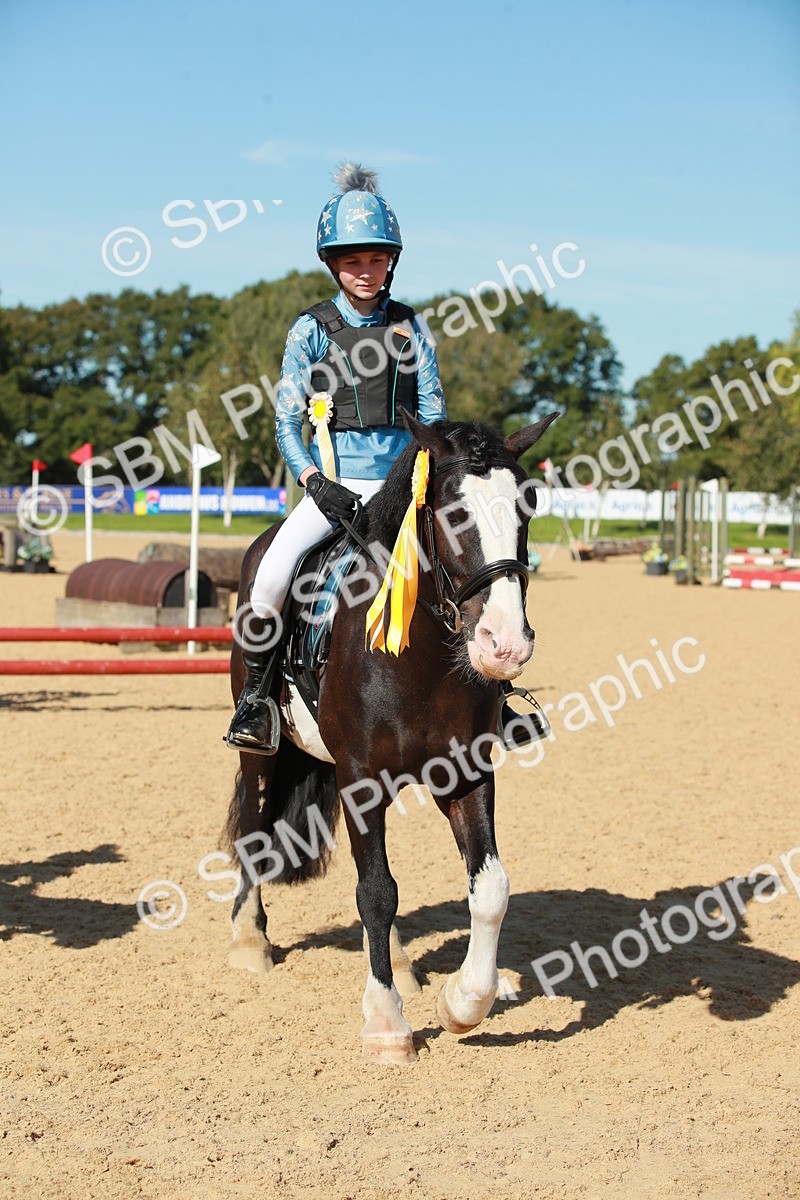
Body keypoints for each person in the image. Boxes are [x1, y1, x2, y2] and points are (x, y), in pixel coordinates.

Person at [225, 162, 446, 753]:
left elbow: (435, 414)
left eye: (375, 259)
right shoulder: (311, 331)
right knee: (270, 575)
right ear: (332, 264)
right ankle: (258, 701)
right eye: (352, 261)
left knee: (470, 559)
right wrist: (314, 481)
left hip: (404, 487)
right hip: (334, 488)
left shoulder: (411, 328)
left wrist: (425, 475)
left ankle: (495, 698)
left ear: (391, 260)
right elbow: (285, 420)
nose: (365, 272)